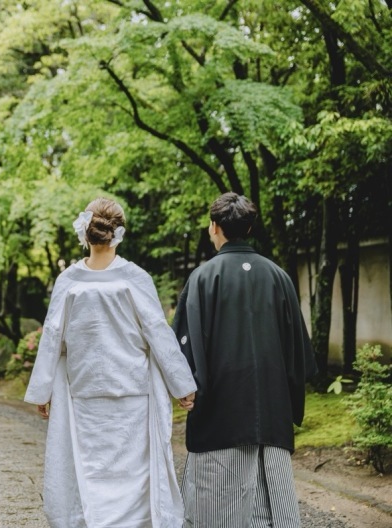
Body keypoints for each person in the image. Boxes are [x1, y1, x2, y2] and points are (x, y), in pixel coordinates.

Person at [25, 197, 197, 528]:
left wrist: (43, 391)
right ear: (118, 233)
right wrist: (182, 385)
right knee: (133, 475)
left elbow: (52, 340)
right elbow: (158, 334)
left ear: (85, 233)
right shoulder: (135, 277)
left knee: (90, 471)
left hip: (84, 392)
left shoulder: (69, 281)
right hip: (132, 391)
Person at [172, 192, 317, 528]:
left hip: (219, 415)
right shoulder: (279, 276)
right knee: (271, 512)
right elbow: (299, 355)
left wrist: (186, 387)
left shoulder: (203, 278)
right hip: (271, 414)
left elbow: (183, 346)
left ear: (214, 228)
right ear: (250, 227)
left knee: (215, 513)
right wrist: (286, 399)